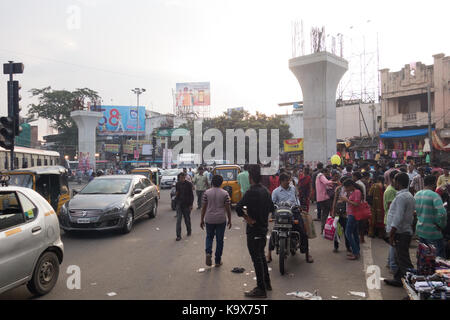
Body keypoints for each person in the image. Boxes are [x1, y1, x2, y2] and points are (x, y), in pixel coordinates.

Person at [236, 164, 274, 298]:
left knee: (257, 258)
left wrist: (248, 218)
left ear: (250, 178)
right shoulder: (266, 191)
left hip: (254, 230)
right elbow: (272, 208)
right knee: (261, 256)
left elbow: (238, 208)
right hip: (263, 228)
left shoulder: (251, 191)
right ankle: (267, 283)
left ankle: (261, 289)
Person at [267, 173, 313, 264]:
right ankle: (269, 254)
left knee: (303, 232)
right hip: (281, 214)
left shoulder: (293, 189)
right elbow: (272, 203)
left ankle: (307, 254)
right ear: (281, 181)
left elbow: (296, 199)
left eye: (289, 180)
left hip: (294, 212)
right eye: (286, 180)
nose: (288, 182)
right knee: (274, 232)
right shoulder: (276, 192)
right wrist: (272, 210)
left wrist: (299, 206)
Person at [384, 172, 416, 287]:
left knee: (404, 261)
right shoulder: (407, 195)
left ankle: (413, 286)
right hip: (404, 231)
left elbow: (398, 217)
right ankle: (398, 279)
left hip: (401, 232)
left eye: (395, 181)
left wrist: (391, 234)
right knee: (398, 258)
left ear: (398, 182)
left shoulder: (402, 197)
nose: (393, 183)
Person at [200, 175, 232, 267]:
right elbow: (228, 208)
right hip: (221, 219)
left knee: (209, 237)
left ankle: (208, 252)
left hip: (209, 219)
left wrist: (201, 219)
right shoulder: (225, 193)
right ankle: (217, 261)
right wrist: (229, 219)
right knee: (219, 240)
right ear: (221, 183)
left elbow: (204, 207)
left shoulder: (207, 193)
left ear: (212, 182)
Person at [415, 175, 447, 258]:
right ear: (433, 184)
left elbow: (415, 211)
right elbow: (442, 213)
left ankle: (425, 271)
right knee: (438, 259)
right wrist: (441, 225)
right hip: (433, 232)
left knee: (425, 257)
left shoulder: (417, 194)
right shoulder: (434, 195)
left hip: (421, 230)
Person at [340, 179, 363, 260]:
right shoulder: (353, 192)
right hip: (351, 214)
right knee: (355, 233)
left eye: (346, 187)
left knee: (348, 233)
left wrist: (347, 200)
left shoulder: (357, 192)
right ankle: (356, 251)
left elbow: (357, 204)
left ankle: (356, 252)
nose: (345, 189)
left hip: (353, 215)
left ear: (351, 186)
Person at [384, 169, 400, 275]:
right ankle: (393, 266)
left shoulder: (393, 189)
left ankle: (390, 263)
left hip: (392, 220)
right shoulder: (390, 191)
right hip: (391, 221)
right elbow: (391, 208)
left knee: (392, 244)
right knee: (394, 244)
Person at [331, 176, 352, 253]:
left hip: (346, 213)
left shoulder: (350, 190)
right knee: (338, 230)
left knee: (347, 231)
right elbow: (334, 200)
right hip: (338, 212)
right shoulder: (338, 189)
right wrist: (333, 211)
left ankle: (348, 246)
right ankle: (336, 246)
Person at [316, 167, 336, 232]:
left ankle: (323, 229)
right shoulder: (321, 176)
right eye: (327, 173)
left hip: (321, 198)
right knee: (332, 211)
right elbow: (326, 182)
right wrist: (334, 182)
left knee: (325, 213)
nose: (328, 175)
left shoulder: (318, 177)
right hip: (324, 197)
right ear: (325, 172)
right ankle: (331, 228)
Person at [175, 172, 194, 241]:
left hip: (187, 205)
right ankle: (178, 235)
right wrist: (176, 201)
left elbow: (191, 195)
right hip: (179, 204)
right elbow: (177, 193)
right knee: (178, 220)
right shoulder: (177, 184)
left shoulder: (189, 184)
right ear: (179, 178)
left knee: (187, 219)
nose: (182, 179)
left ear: (185, 177)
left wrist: (191, 205)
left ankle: (189, 231)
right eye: (181, 178)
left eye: (183, 177)